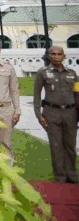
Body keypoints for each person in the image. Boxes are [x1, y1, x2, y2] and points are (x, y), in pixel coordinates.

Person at [34, 46, 78, 182]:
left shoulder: (72, 73)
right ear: (48, 56)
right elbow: (36, 95)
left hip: (71, 113)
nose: (56, 56)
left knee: (70, 146)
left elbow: (77, 95)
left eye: (59, 54)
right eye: (53, 54)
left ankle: (72, 174)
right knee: (56, 146)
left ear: (64, 56)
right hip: (51, 113)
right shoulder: (42, 73)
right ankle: (60, 177)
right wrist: (39, 115)